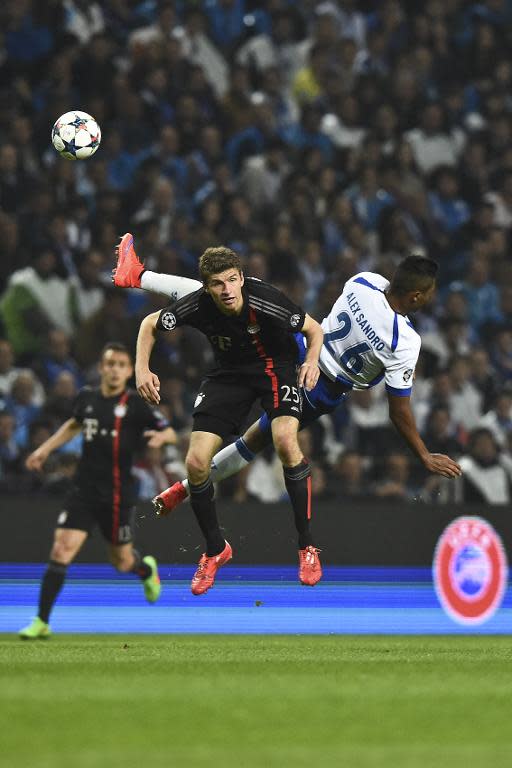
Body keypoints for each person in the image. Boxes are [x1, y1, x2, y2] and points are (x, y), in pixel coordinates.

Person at [113, 236, 462, 548]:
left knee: (221, 294)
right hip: (320, 386)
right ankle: (188, 489)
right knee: (257, 440)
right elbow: (398, 410)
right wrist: (423, 455)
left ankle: (141, 277)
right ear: (417, 296)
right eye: (428, 294)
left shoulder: (364, 282)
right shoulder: (406, 341)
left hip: (295, 345)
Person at [127, 234, 324, 593]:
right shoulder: (199, 304)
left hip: (274, 369)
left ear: (242, 278)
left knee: (284, 440)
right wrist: (142, 369)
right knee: (195, 462)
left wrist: (311, 362)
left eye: (233, 279)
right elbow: (149, 325)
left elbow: (314, 329)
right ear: (207, 287)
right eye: (218, 284)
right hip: (228, 375)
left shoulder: (267, 301)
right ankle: (216, 550)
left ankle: (307, 545)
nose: (228, 289)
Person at [18, 341, 177, 639]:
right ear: (102, 368)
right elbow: (74, 424)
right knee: (61, 549)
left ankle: (145, 570)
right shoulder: (87, 398)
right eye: (110, 364)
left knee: (122, 562)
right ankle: (41, 621)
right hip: (84, 490)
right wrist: (44, 449)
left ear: (129, 371)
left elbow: (168, 428)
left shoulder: (135, 404)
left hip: (117, 495)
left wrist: (161, 438)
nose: (115, 370)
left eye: (121, 365)